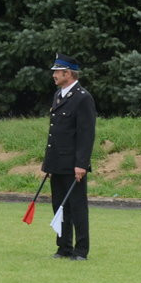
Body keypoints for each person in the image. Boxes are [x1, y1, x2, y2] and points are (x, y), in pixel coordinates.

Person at [42, 53, 97, 261]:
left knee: (77, 207)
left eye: (57, 72)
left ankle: (81, 250)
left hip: (74, 164)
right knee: (59, 206)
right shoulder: (58, 95)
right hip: (57, 162)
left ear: (68, 74)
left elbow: (86, 134)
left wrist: (81, 164)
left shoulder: (83, 97)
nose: (54, 75)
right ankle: (63, 247)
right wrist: (48, 163)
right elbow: (55, 134)